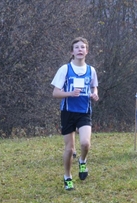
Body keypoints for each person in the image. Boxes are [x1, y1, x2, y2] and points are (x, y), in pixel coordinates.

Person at [51, 37, 99, 190]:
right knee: (70, 149)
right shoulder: (65, 69)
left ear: (87, 51)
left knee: (85, 143)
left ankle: (82, 161)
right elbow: (55, 93)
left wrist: (94, 94)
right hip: (68, 112)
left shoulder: (91, 70)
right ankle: (67, 177)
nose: (80, 50)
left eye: (83, 47)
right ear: (71, 52)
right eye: (76, 47)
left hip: (84, 111)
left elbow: (94, 88)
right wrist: (70, 93)